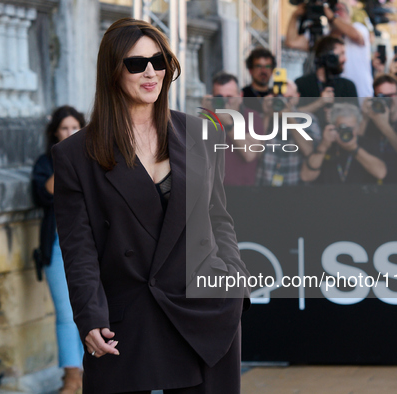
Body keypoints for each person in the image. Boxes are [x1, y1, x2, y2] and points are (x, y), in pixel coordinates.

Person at [51, 18, 250, 394]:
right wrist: (89, 316)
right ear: (112, 72)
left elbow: (218, 218)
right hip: (128, 317)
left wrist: (234, 281)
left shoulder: (201, 133)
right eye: (135, 63)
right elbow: (79, 248)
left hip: (205, 308)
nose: (150, 72)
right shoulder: (76, 155)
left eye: (158, 62)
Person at [31, 105, 86, 394]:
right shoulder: (46, 162)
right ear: (55, 132)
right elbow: (43, 194)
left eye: (74, 127)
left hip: (89, 248)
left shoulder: (94, 159)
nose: (69, 133)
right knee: (66, 314)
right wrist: (64, 158)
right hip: (56, 248)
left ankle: (91, 373)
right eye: (64, 128)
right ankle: (72, 377)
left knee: (90, 310)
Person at [201, 72, 265, 185]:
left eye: (229, 97)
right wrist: (204, 112)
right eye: (219, 97)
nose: (225, 102)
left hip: (242, 193)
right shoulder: (207, 118)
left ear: (240, 97)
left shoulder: (251, 117)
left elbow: (250, 155)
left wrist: (228, 123)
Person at [301, 103, 387, 184]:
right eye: (343, 128)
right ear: (334, 126)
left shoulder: (368, 143)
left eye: (351, 128)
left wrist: (354, 149)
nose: (346, 132)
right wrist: (323, 146)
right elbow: (306, 177)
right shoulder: (326, 144)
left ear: (358, 127)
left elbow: (380, 173)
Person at [256, 80, 321, 185]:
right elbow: (254, 154)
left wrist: (290, 118)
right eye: (279, 98)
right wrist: (267, 116)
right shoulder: (262, 118)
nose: (283, 102)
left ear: (297, 97)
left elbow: (309, 151)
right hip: (264, 187)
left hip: (296, 189)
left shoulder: (307, 119)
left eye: (288, 98)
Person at [295, 36, 358, 126]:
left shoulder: (348, 86)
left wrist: (336, 115)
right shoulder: (302, 84)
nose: (345, 59)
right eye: (342, 54)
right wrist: (319, 102)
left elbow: (356, 117)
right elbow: (293, 113)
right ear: (329, 57)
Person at [360, 74, 397, 183]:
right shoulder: (371, 122)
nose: (386, 101)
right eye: (381, 97)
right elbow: (355, 145)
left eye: (390, 96)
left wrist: (384, 127)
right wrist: (364, 118)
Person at [326, 0, 373, 98]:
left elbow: (355, 35)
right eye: (334, 10)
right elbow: (292, 43)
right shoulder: (327, 35)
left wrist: (331, 16)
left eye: (340, 10)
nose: (336, 13)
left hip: (361, 91)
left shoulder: (359, 28)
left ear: (348, 13)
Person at [242, 47, 275, 111]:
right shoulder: (242, 96)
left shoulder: (276, 95)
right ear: (250, 70)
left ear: (272, 70)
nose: (264, 71)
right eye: (259, 66)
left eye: (268, 66)